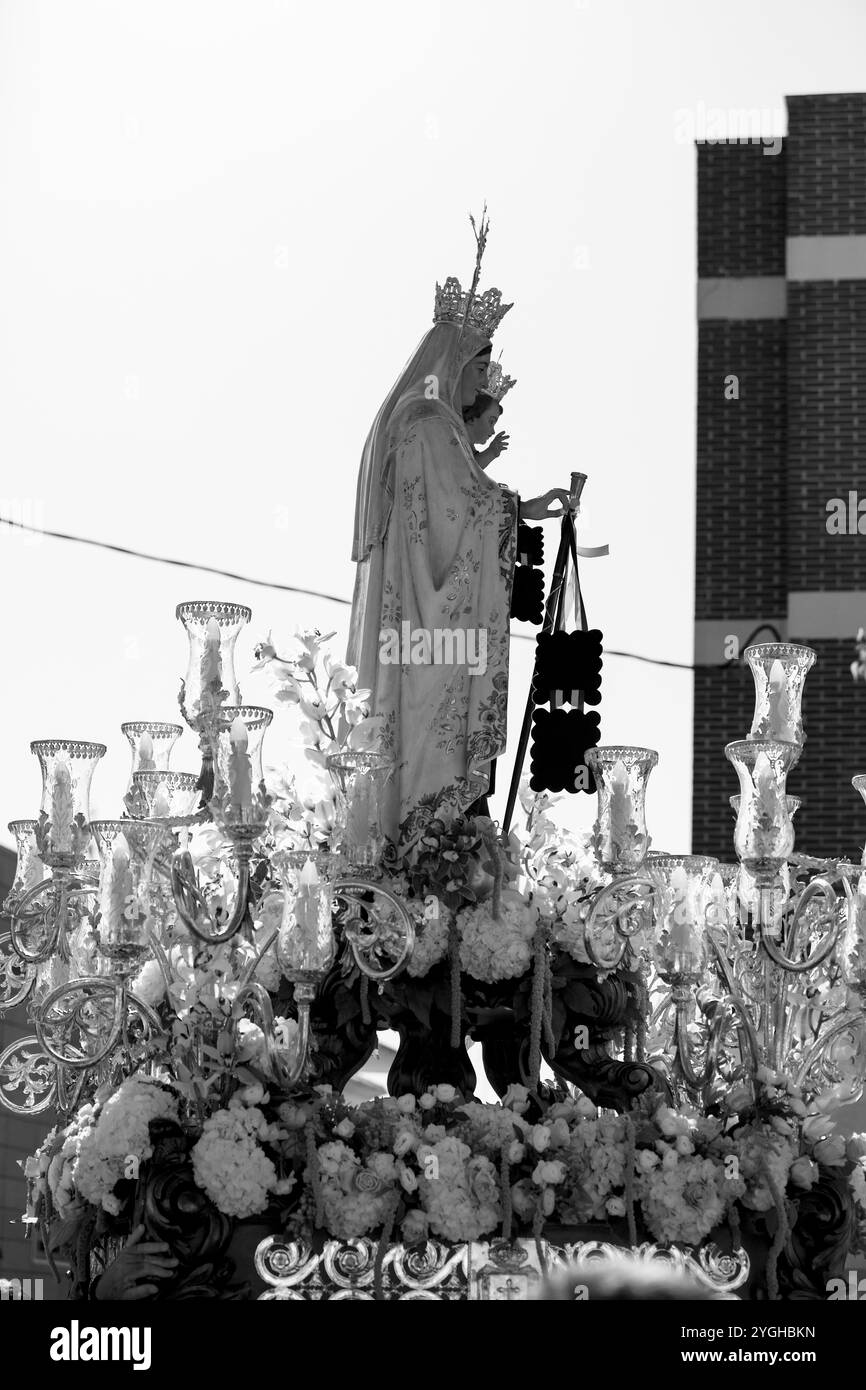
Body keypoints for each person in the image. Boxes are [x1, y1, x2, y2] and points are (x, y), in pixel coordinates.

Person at [348, 270, 570, 851]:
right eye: (477, 368)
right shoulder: (428, 427)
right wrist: (520, 509)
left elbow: (463, 504)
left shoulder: (432, 427)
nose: (481, 382)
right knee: (428, 754)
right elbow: (454, 514)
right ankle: (424, 845)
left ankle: (437, 847)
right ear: (453, 364)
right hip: (429, 625)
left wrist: (520, 509)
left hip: (431, 628)